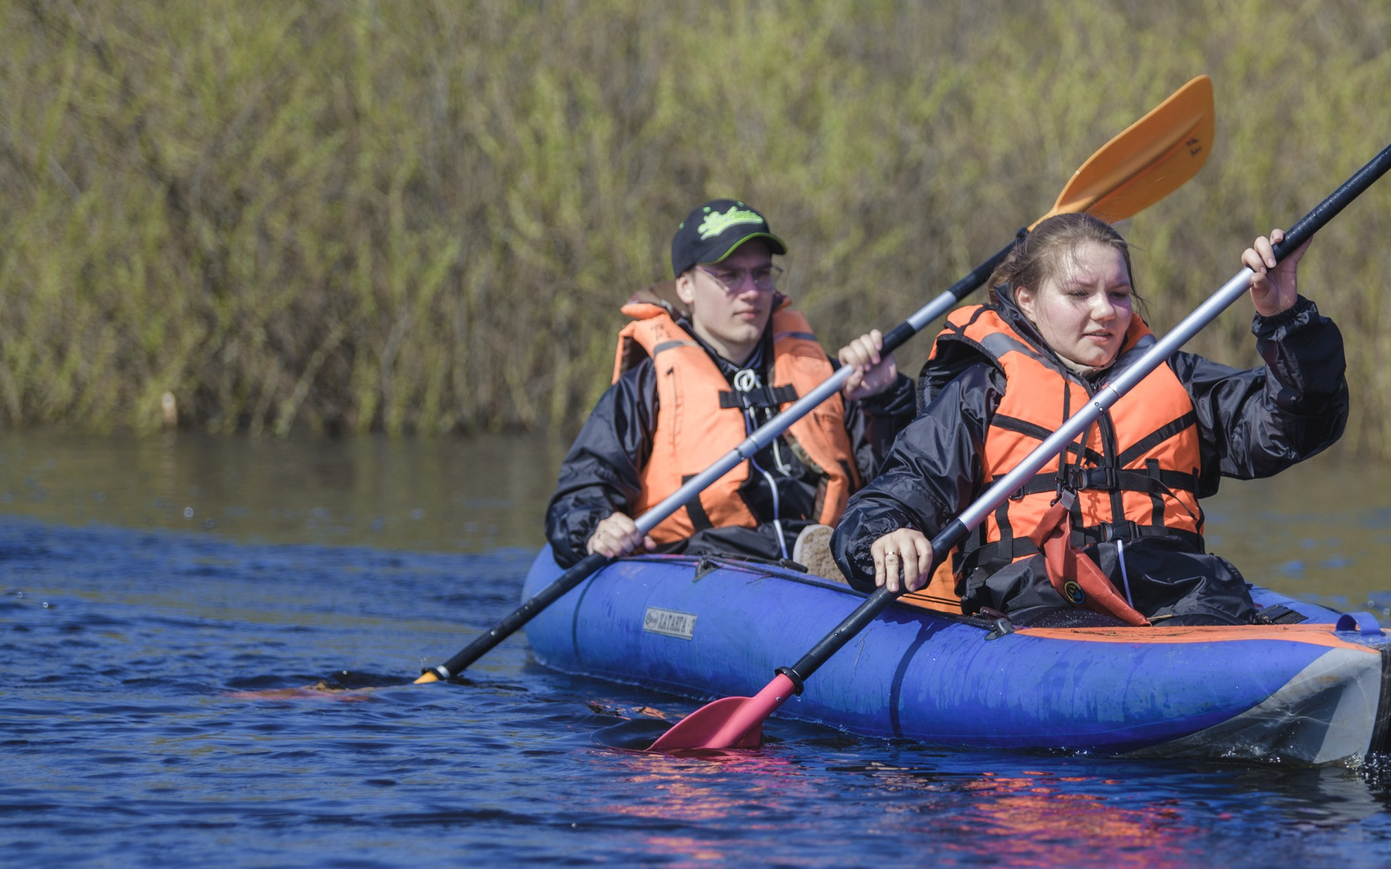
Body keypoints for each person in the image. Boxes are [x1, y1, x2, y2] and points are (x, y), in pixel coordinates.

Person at [834, 212, 1346, 624]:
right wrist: (886, 532)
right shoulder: (983, 390)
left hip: (1177, 590)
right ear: (1027, 301)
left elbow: (1291, 427)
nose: (1106, 311)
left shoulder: (1172, 377)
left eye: (1119, 295)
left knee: (1222, 603)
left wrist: (1285, 319)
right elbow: (899, 490)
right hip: (1038, 603)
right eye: (1080, 294)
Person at [545, 200, 914, 578]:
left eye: (761, 274)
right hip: (698, 569)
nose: (751, 291)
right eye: (729, 275)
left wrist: (885, 399)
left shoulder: (829, 378)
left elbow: (897, 480)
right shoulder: (647, 386)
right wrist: (595, 526)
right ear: (685, 286)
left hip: (822, 559)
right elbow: (581, 492)